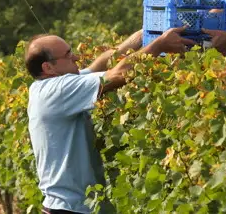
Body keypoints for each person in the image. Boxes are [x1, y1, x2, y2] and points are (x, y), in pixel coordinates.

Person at [25, 27, 195, 214]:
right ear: (48, 67)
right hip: (71, 209)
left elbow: (100, 65)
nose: (76, 58)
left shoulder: (48, 87)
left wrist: (145, 34)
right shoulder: (56, 91)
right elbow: (116, 75)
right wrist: (160, 44)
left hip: (74, 206)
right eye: (68, 55)